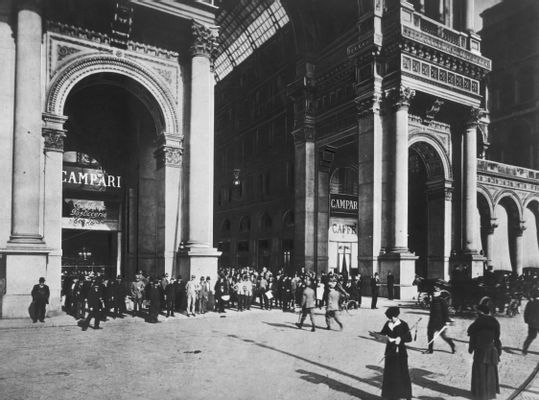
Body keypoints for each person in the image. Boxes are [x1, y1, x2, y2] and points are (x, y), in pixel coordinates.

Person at [467, 303, 502, 400]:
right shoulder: (495, 321)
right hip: (491, 350)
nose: (476, 313)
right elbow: (497, 337)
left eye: (477, 311)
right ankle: (490, 394)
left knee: (480, 371)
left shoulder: (478, 322)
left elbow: (472, 335)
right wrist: (499, 350)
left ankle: (480, 394)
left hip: (480, 350)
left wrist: (471, 348)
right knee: (490, 371)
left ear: (480, 312)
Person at [379, 306, 412, 400]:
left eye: (392, 317)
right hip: (390, 352)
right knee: (389, 374)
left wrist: (401, 339)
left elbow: (409, 338)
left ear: (396, 316)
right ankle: (390, 395)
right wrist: (376, 335)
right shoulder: (387, 323)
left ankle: (406, 396)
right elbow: (383, 333)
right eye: (389, 317)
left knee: (402, 373)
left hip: (400, 353)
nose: (391, 319)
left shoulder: (403, 324)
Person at [426, 289, 455, 354]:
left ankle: (452, 344)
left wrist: (446, 321)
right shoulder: (432, 301)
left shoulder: (442, 301)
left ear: (439, 293)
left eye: (435, 292)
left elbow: (446, 313)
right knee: (430, 335)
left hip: (440, 322)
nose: (434, 293)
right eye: (433, 292)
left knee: (443, 336)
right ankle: (430, 350)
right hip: (432, 321)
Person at [523, 289, 539, 355]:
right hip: (534, 322)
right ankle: (525, 348)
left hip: (532, 322)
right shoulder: (531, 303)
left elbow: (526, 312)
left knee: (531, 336)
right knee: (531, 336)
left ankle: (525, 348)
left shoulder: (530, 302)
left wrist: (526, 320)